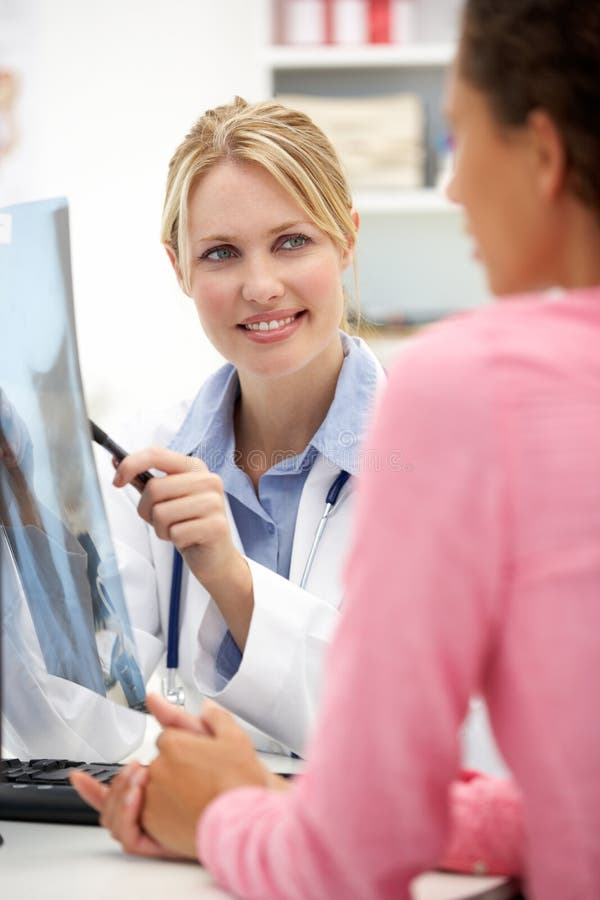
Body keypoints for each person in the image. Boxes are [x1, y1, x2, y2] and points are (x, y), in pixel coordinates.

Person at [72, 0, 600, 896]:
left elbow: (362, 841)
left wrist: (228, 809)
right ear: (179, 267)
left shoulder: (464, 396)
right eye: (221, 254)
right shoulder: (150, 450)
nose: (453, 188)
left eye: (461, 141)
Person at [91, 96, 386, 757]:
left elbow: (405, 729)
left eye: (292, 242)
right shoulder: (139, 461)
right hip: (180, 847)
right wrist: (27, 536)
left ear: (346, 239)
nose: (261, 286)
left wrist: (227, 572)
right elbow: (85, 724)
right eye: (222, 252)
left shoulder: (444, 460)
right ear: (181, 269)